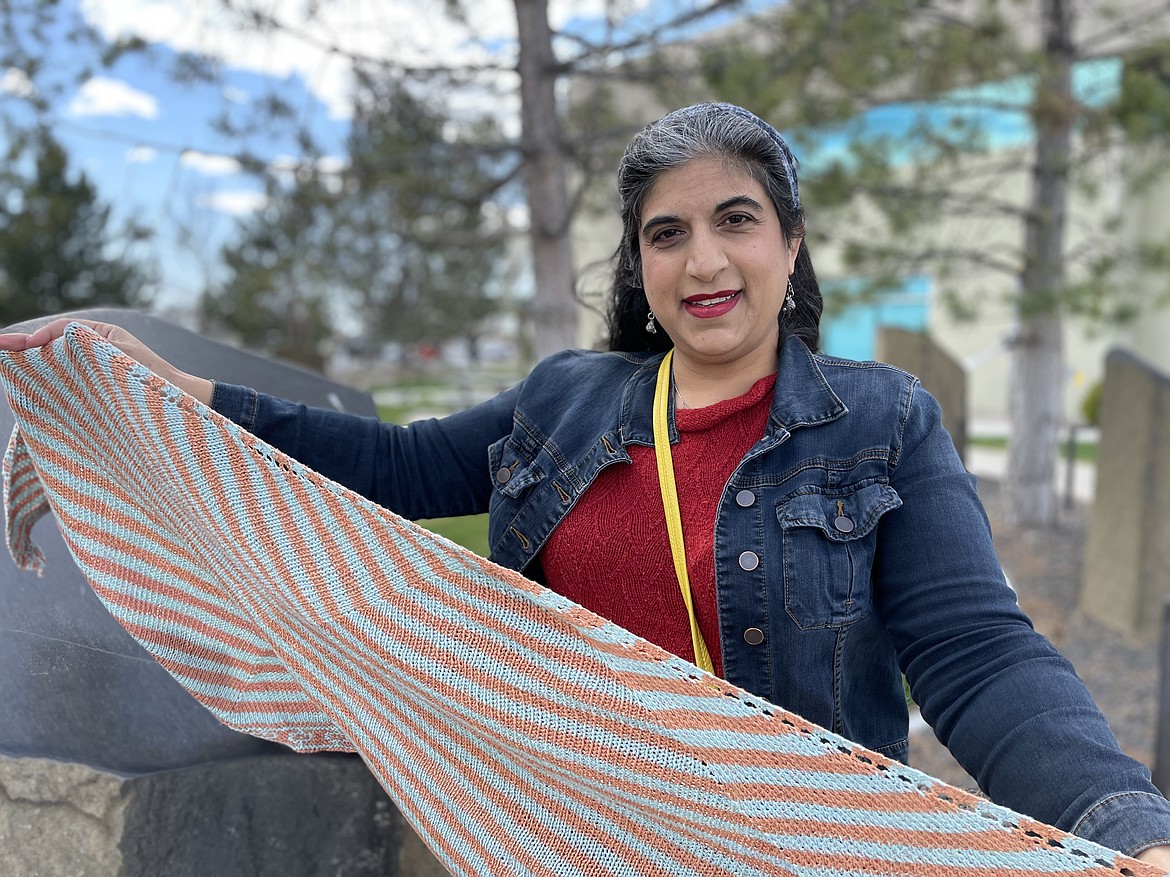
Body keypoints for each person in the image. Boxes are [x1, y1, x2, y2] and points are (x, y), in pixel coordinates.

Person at [4, 101, 1170, 869]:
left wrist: (1123, 822)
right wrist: (157, 401)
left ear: (791, 243)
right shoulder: (563, 401)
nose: (703, 260)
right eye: (667, 235)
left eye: (735, 221)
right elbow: (393, 467)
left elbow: (980, 657)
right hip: (557, 841)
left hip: (792, 849)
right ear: (642, 263)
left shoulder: (881, 422)